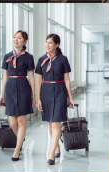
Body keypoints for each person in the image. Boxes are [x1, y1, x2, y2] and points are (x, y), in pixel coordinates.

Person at [35, 33, 75, 165]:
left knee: (56, 123)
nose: (47, 45)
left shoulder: (63, 59)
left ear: (57, 45)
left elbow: (67, 79)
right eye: (46, 42)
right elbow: (38, 80)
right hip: (45, 92)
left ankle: (50, 154)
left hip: (59, 92)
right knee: (50, 123)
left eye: (50, 43)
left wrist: (70, 97)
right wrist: (38, 98)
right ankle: (56, 147)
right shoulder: (41, 59)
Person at [0, 30, 35, 161]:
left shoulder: (29, 57)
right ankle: (21, 137)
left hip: (23, 87)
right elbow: (4, 77)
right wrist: (1, 94)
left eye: (19, 38)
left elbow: (31, 76)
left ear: (25, 41)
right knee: (12, 122)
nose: (16, 40)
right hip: (10, 88)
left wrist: (34, 95)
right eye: (14, 37)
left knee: (21, 120)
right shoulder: (7, 56)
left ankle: (17, 149)